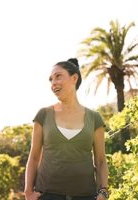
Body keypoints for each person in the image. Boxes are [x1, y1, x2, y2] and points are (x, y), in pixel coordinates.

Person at [24, 58, 109, 200]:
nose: (53, 83)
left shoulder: (94, 118)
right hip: (47, 195)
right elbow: (33, 157)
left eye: (58, 76)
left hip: (85, 196)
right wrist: (28, 192)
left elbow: (100, 160)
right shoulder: (44, 114)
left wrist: (103, 192)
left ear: (74, 78)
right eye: (50, 80)